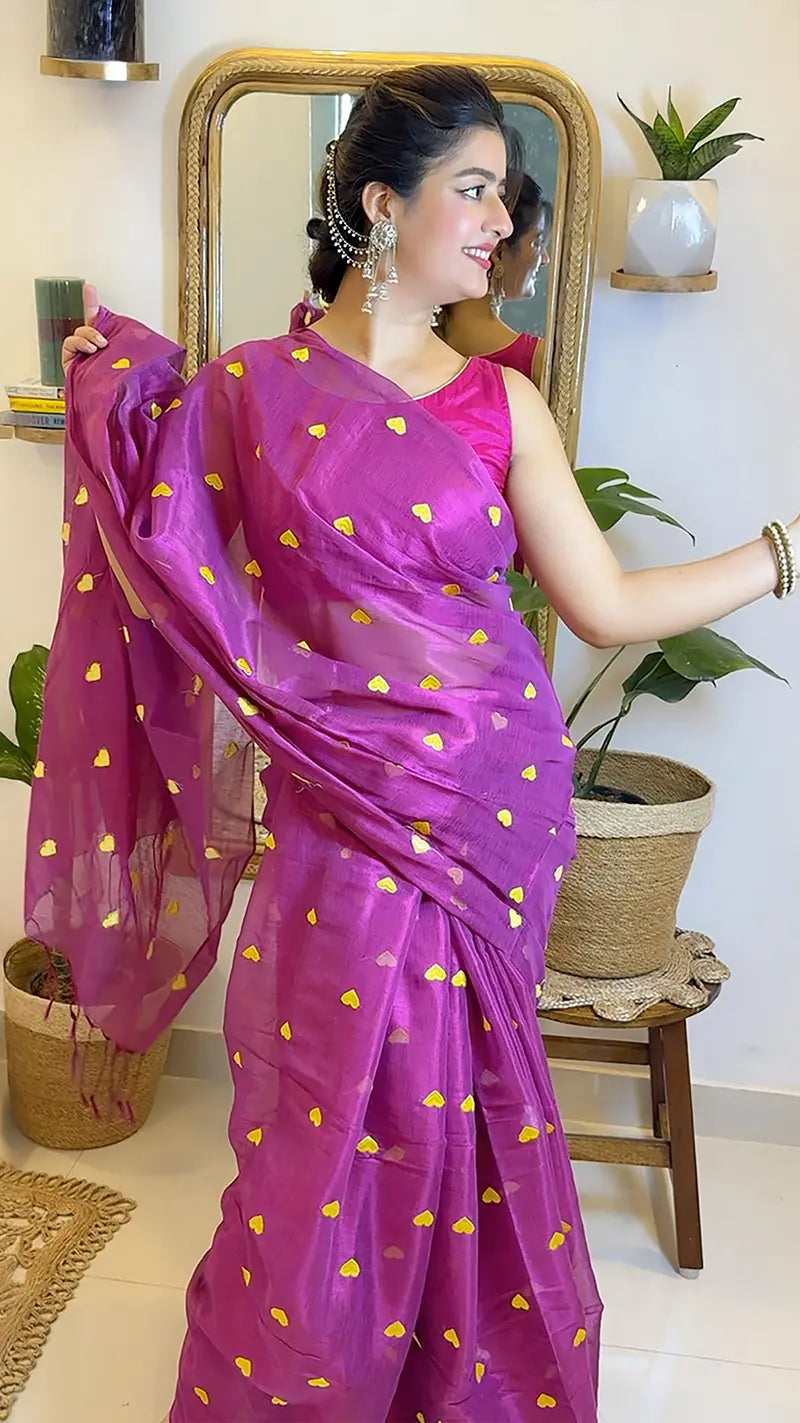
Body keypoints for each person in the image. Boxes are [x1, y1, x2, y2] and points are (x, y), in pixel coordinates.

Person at [31, 62, 796, 1423]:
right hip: (341, 805)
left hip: (491, 803)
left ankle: (459, 1374)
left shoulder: (503, 401)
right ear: (384, 201)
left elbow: (604, 601)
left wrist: (780, 554)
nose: (502, 220)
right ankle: (304, 1367)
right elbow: (166, 537)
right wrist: (110, 391)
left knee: (472, 1102)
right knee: (324, 1104)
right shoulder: (253, 391)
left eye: (509, 194)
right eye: (475, 189)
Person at [442, 173, 552, 386]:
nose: (545, 258)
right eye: (537, 243)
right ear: (498, 251)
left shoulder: (416, 337)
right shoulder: (536, 363)